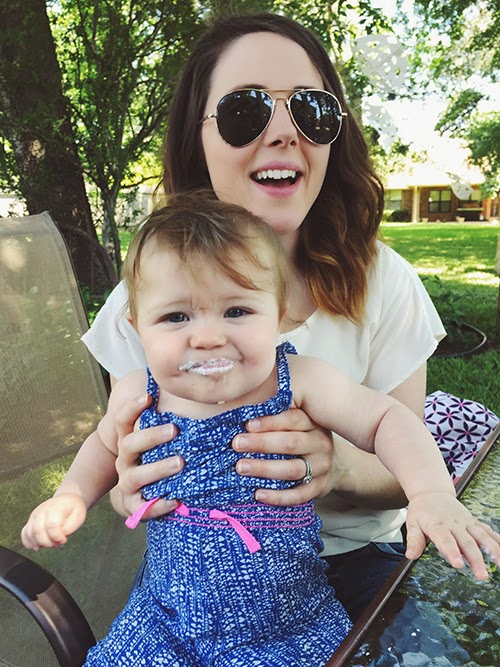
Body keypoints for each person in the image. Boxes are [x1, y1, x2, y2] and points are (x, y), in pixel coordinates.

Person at [78, 13, 496, 622]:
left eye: (311, 109)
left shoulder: (382, 280)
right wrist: (125, 482)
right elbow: (119, 448)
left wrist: (336, 465)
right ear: (198, 138)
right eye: (245, 110)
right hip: (196, 575)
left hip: (359, 562)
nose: (283, 132)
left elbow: (403, 462)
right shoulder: (143, 302)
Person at [21, 195, 500, 667]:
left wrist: (431, 493)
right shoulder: (137, 391)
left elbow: (387, 420)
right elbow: (104, 444)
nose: (207, 336)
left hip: (287, 626)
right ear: (137, 327)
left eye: (236, 311)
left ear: (278, 314)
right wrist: (71, 496)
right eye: (175, 317)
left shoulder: (298, 381)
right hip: (165, 624)